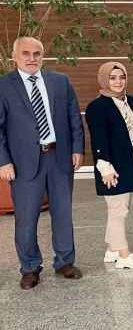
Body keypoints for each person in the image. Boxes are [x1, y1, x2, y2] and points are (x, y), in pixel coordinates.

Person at [0, 37, 85, 289]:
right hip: (23, 163)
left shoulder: (60, 81)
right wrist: (3, 162)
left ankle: (65, 262)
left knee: (63, 213)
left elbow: (73, 116)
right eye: (25, 53)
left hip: (59, 158)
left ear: (42, 56)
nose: (31, 58)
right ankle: (29, 268)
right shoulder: (3, 85)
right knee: (26, 219)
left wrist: (77, 148)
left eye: (36, 53)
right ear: (15, 57)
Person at [85, 62, 133, 270]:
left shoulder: (131, 100)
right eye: (112, 78)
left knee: (122, 208)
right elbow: (99, 139)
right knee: (118, 210)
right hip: (113, 166)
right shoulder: (97, 107)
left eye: (121, 77)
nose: (118, 82)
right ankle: (124, 255)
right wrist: (105, 168)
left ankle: (112, 249)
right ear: (104, 80)